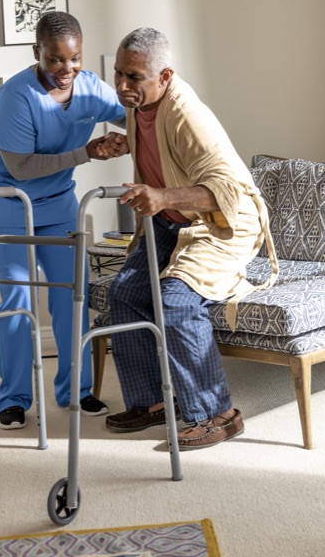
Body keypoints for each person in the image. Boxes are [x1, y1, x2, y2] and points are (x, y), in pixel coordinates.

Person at [104, 28, 278, 450]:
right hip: (171, 221)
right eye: (118, 74)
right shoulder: (140, 101)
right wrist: (129, 144)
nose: (123, 86)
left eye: (134, 77)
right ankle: (153, 403)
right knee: (124, 294)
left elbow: (229, 191)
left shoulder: (188, 115)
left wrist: (161, 195)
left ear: (165, 76)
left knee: (176, 302)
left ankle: (219, 414)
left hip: (220, 225)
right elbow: (164, 146)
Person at [0, 11, 128, 429]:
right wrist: (88, 152)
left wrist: (141, 136)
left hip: (55, 205)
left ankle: (78, 390)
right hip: (2, 203)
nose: (66, 69)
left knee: (73, 296)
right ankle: (14, 398)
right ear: (37, 52)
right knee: (19, 299)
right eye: (55, 60)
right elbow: (19, 167)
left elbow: (135, 117)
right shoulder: (16, 97)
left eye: (74, 59)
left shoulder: (91, 88)